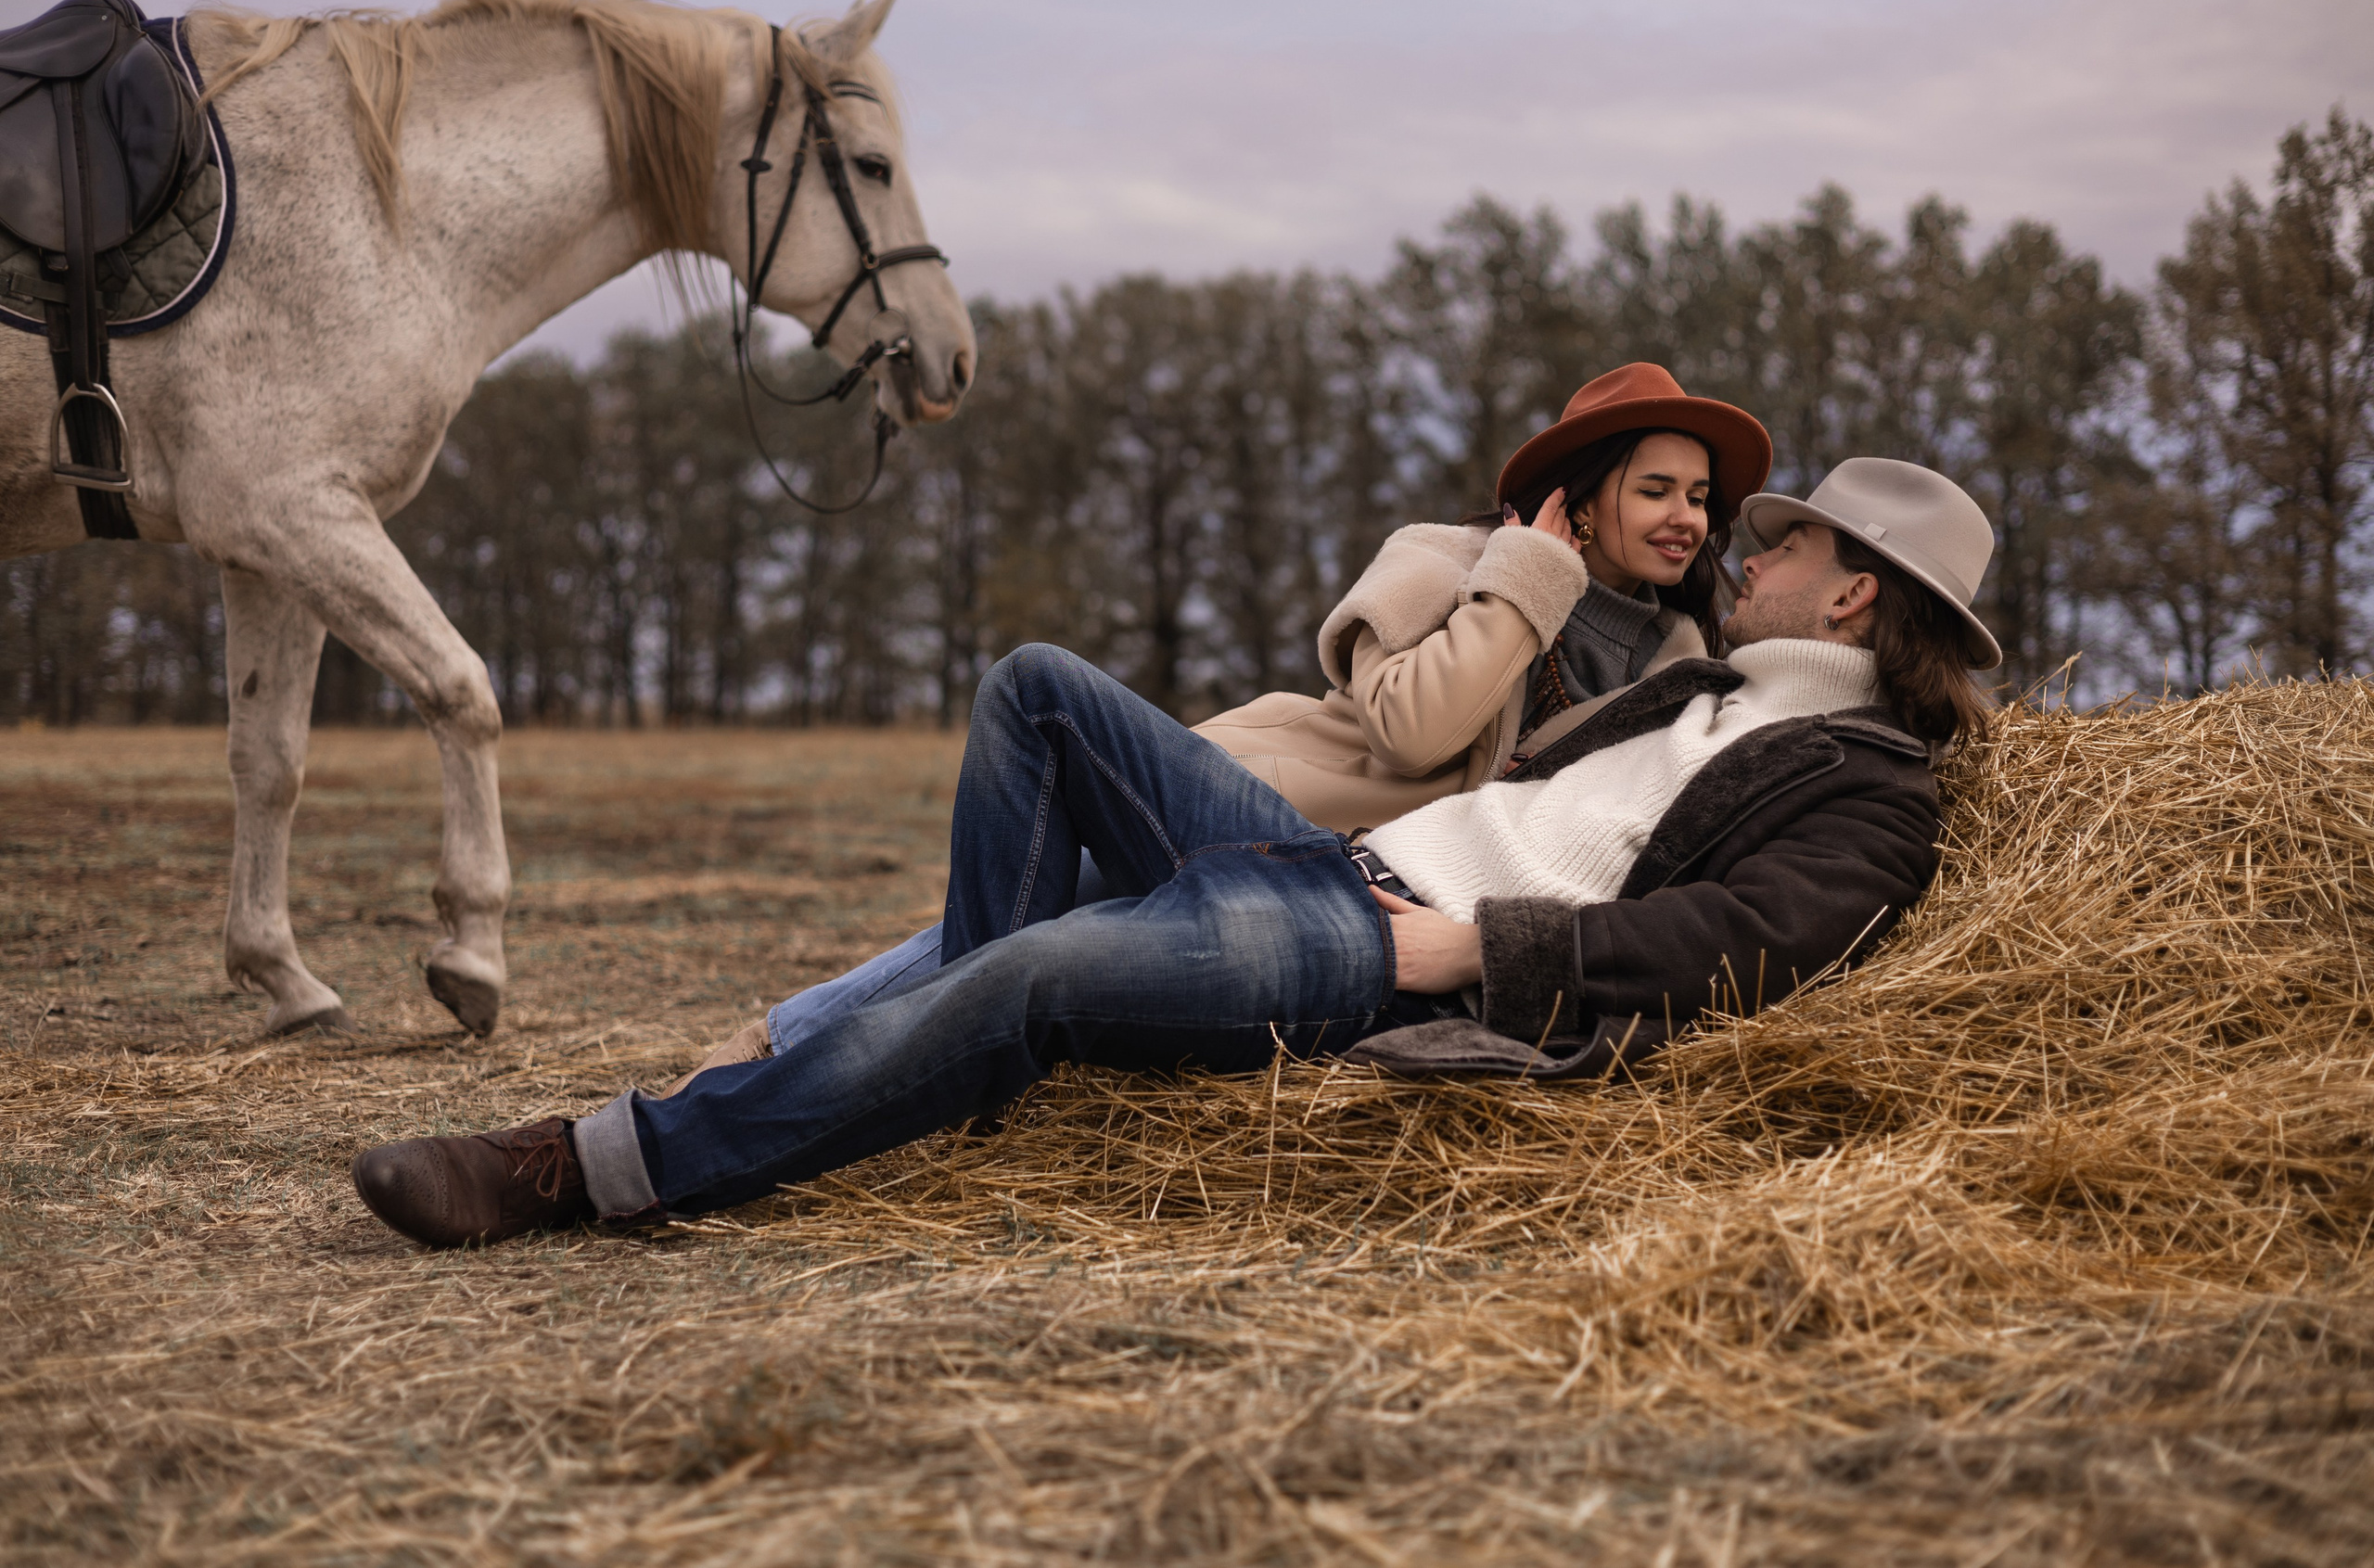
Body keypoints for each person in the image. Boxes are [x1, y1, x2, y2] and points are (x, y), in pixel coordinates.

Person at [351, 456, 2002, 1248]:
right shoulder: (1677, 686)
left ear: (1853, 590)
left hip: (1380, 941)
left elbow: (1745, 941)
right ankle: (959, 1060)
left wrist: (1474, 953)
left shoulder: (1866, 782)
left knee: (1048, 963)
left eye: (1777, 540)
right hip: (1309, 859)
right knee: (1036, 696)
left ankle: (586, 1166)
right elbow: (1440, 733)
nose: (1746, 548)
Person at [675, 363, 1772, 1090]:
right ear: (1580, 501)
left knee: (1044, 927)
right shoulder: (1446, 561)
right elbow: (1411, 731)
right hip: (1254, 812)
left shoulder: (1680, 669)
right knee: (1039, 832)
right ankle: (786, 1065)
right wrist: (1527, 581)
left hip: (1371, 888)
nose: (1687, 519)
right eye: (1656, 490)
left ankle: (786, 1052)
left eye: (1699, 498)